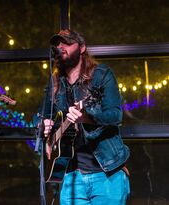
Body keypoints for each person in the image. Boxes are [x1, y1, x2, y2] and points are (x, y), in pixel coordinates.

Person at [43, 29, 130, 205]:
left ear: (82, 48)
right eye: (57, 44)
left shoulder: (101, 74)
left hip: (106, 173)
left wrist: (87, 117)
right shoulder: (55, 83)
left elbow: (115, 115)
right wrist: (44, 125)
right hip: (71, 176)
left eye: (66, 43)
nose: (60, 47)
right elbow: (41, 115)